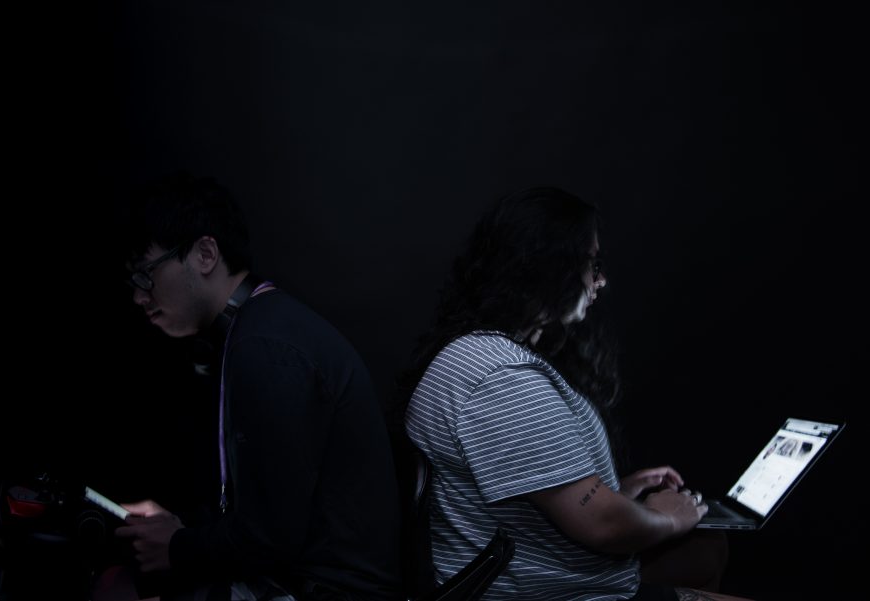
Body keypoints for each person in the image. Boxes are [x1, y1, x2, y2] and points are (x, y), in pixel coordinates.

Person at [402, 187, 752, 601]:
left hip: (547, 576)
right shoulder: (501, 377)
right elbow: (605, 526)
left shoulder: (482, 353)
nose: (600, 280)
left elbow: (531, 505)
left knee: (706, 550)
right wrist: (671, 516)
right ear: (549, 267)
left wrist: (612, 490)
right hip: (551, 595)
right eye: (592, 264)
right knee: (697, 540)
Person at [98, 173, 402, 601]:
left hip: (323, 591)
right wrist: (177, 525)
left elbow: (270, 538)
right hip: (305, 576)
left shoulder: (265, 347)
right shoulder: (258, 327)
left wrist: (178, 544)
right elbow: (267, 511)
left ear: (205, 254)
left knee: (116, 590)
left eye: (145, 275)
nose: (138, 297)